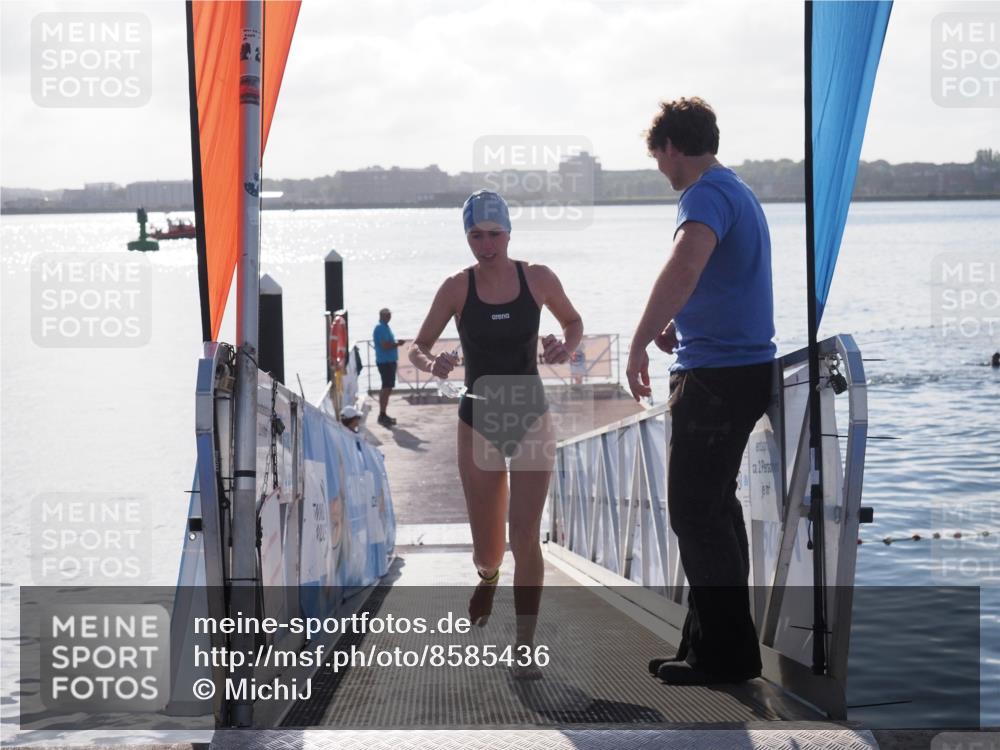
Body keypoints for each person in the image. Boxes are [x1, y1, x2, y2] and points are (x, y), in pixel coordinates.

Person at [626, 97, 776, 685]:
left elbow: (685, 266)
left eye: (659, 157)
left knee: (694, 511)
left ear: (672, 148)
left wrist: (638, 342)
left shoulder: (705, 194)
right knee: (713, 510)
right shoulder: (736, 190)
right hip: (739, 368)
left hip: (715, 378)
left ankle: (727, 656)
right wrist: (677, 324)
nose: (661, 170)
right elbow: (714, 278)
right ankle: (708, 645)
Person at [409, 190, 583, 668]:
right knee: (489, 551)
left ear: (509, 233)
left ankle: (524, 646)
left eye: (495, 235)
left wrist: (564, 350)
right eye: (476, 236)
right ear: (467, 237)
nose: (486, 246)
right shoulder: (456, 287)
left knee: (525, 535)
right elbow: (417, 347)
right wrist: (435, 362)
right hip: (479, 419)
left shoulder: (539, 278)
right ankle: (487, 578)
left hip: (530, 414)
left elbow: (573, 322)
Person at [373, 308, 406, 427]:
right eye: (387, 315)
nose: (389, 317)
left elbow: (387, 343)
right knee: (386, 387)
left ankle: (383, 414)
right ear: (381, 315)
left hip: (389, 361)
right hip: (385, 362)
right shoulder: (380, 328)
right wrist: (398, 344)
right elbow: (385, 345)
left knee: (388, 387)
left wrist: (396, 343)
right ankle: (382, 414)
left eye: (390, 315)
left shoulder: (385, 327)